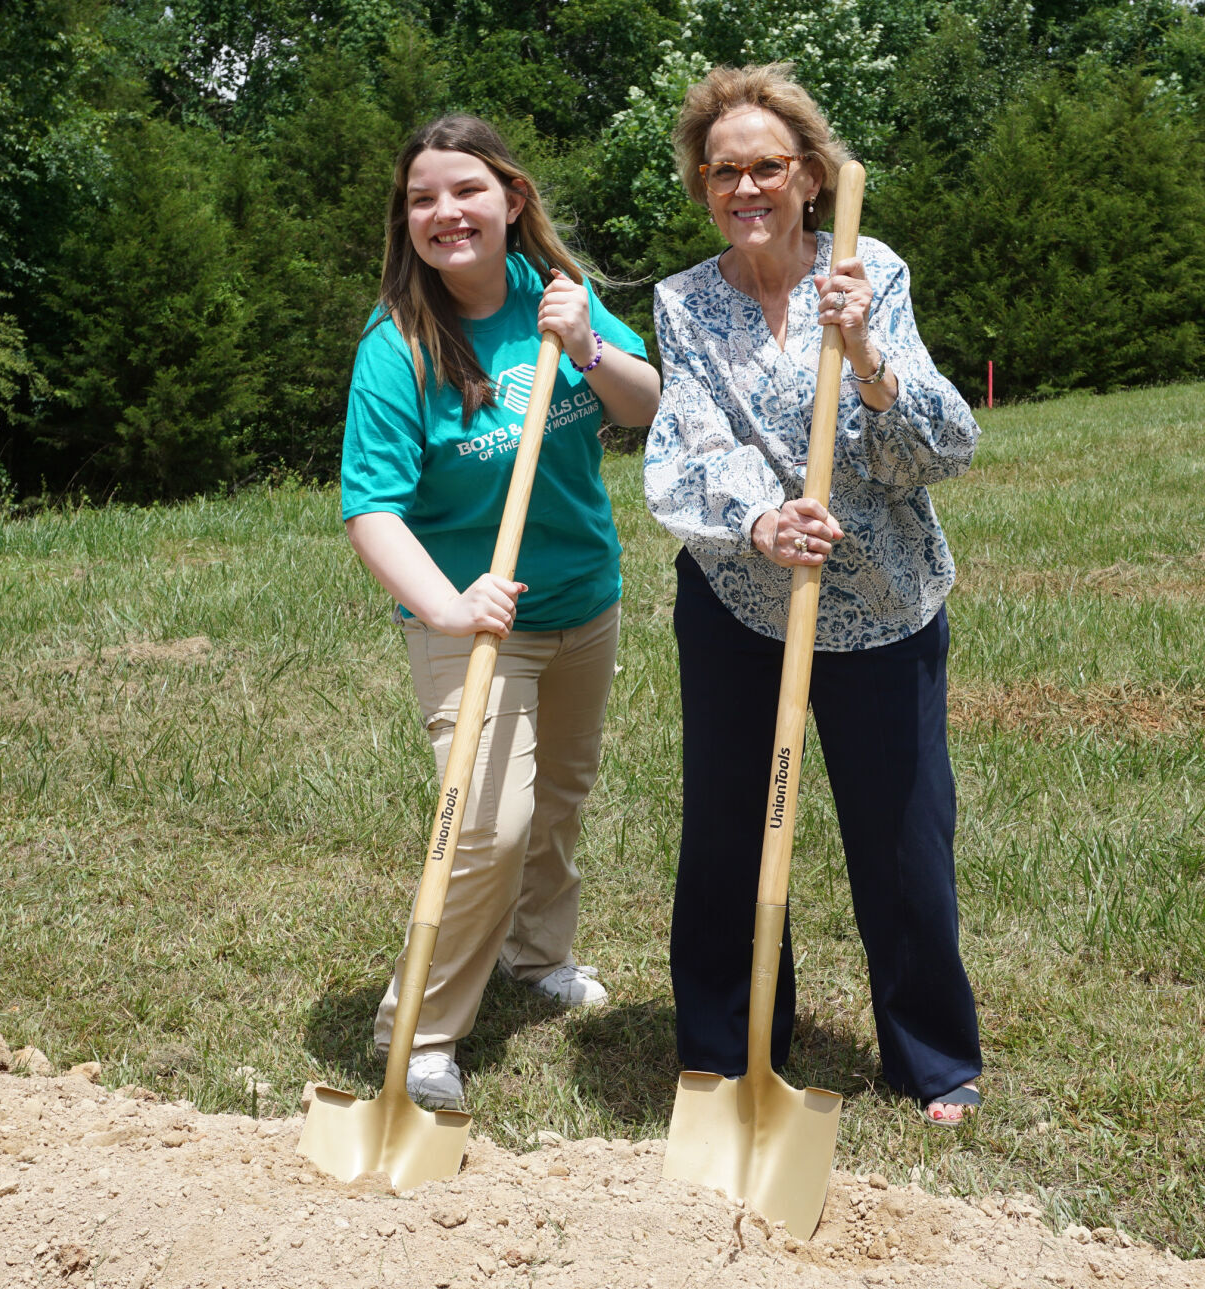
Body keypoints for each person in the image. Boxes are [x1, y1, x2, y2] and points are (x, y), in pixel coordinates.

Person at [643, 64, 984, 1124]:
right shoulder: (683, 303)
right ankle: (723, 1053)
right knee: (730, 836)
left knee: (904, 839)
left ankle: (932, 1055)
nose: (744, 188)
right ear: (703, 185)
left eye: (766, 167)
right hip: (743, 602)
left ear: (808, 176)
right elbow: (687, 442)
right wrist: (761, 521)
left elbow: (940, 448)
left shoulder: (868, 270)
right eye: (722, 171)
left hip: (883, 602)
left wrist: (868, 355)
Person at [341, 115, 661, 1111]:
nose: (445, 212)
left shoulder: (559, 299)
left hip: (582, 597)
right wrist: (448, 602)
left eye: (465, 191)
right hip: (467, 618)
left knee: (559, 795)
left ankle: (537, 953)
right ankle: (421, 1029)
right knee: (487, 819)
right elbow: (372, 508)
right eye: (423, 198)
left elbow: (648, 406)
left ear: (511, 200)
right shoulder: (399, 348)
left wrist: (588, 348)